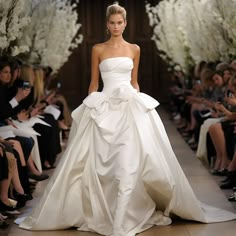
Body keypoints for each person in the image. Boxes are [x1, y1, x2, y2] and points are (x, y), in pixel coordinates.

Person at [17, 3, 236, 236]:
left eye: (119, 22)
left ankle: (126, 210)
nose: (115, 26)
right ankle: (104, 209)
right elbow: (94, 83)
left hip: (130, 105)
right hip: (105, 106)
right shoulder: (97, 49)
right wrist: (92, 105)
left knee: (130, 159)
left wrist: (139, 102)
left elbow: (134, 81)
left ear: (125, 23)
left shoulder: (135, 49)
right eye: (112, 23)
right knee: (98, 159)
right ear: (107, 24)